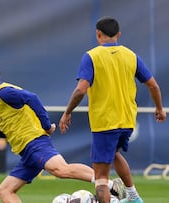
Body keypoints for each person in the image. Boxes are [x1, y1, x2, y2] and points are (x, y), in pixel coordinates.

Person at [0, 55, 124, 203]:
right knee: (6, 190)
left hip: (35, 142)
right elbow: (16, 124)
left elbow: (32, 98)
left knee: (61, 170)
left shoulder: (3, 92)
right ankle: (110, 185)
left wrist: (46, 125)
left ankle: (111, 185)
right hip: (26, 151)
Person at [59, 17, 166, 203]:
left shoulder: (92, 56)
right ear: (118, 35)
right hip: (127, 121)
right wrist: (159, 108)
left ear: (98, 34)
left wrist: (67, 112)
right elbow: (154, 86)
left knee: (100, 180)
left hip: (105, 123)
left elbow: (80, 90)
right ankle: (134, 197)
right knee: (114, 154)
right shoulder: (131, 55)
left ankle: (128, 197)